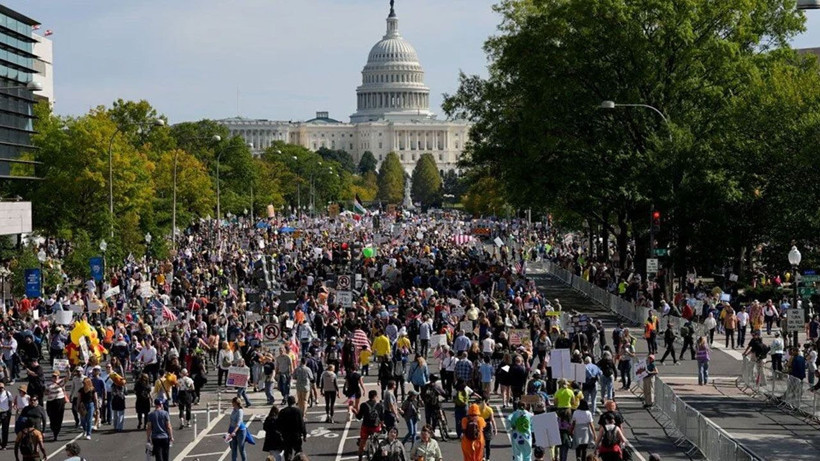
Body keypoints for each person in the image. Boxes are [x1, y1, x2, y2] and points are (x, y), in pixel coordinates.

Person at [355, 390, 384, 461]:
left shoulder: (363, 405)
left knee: (362, 443)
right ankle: (376, 443)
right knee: (379, 436)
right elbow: (382, 418)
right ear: (375, 396)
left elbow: (359, 417)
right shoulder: (379, 406)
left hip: (366, 427)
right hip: (375, 427)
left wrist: (355, 411)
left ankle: (360, 458)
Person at [277, 396, 307, 461]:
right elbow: (302, 424)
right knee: (298, 451)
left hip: (286, 436)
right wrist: (304, 434)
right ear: (294, 402)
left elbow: (278, 424)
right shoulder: (298, 411)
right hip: (296, 435)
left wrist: (281, 433)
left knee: (287, 452)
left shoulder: (282, 411)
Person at [45, 370, 66, 441]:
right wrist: (46, 392)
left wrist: (68, 369)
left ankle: (56, 433)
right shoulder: (48, 383)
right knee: (51, 416)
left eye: (55, 376)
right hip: (50, 401)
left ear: (58, 376)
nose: (54, 377)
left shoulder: (61, 382)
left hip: (59, 400)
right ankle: (53, 428)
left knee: (59, 417)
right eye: (53, 376)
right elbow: (45, 392)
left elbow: (68, 377)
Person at [227, 397, 249, 461]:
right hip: (233, 429)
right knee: (233, 449)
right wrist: (229, 431)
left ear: (236, 403)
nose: (232, 405)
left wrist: (234, 432)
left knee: (241, 449)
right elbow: (231, 421)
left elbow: (238, 423)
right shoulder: (234, 410)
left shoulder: (240, 411)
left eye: (233, 403)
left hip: (240, 431)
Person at [0, 381, 11, 450]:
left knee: (5, 430)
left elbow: (11, 401)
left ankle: (4, 444)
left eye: (2, 387)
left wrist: (10, 410)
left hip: (5, 413)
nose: (1, 389)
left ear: (4, 387)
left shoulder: (7, 393)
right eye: (0, 387)